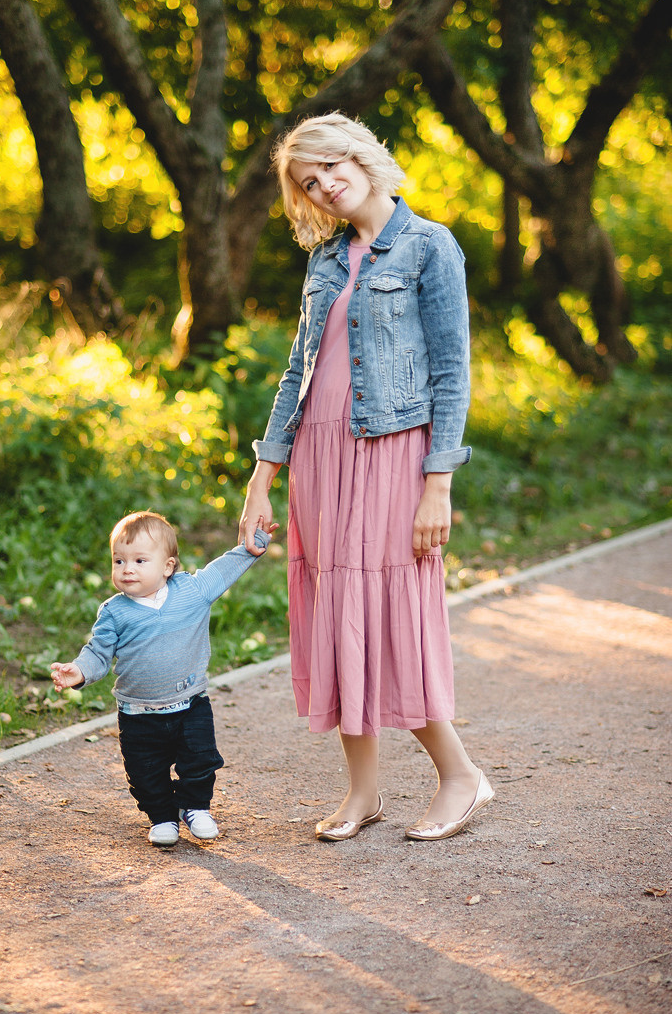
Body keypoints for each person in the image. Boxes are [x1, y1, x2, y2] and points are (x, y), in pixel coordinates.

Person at [239, 112, 493, 843]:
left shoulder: (427, 246)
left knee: (391, 615)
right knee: (335, 610)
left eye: (330, 168)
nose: (325, 186)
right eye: (308, 182)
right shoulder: (323, 260)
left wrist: (437, 481)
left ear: (362, 156)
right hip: (319, 461)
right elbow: (298, 372)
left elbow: (452, 372)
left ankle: (460, 778)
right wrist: (263, 474)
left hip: (391, 456)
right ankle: (363, 793)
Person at [51, 510, 270, 847]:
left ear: (167, 567)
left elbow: (223, 570)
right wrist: (78, 672)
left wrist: (253, 545)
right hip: (138, 714)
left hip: (191, 703)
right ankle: (163, 816)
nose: (127, 569)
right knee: (145, 774)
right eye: (119, 560)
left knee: (200, 760)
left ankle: (195, 807)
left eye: (139, 560)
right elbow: (98, 653)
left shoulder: (192, 591)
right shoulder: (114, 611)